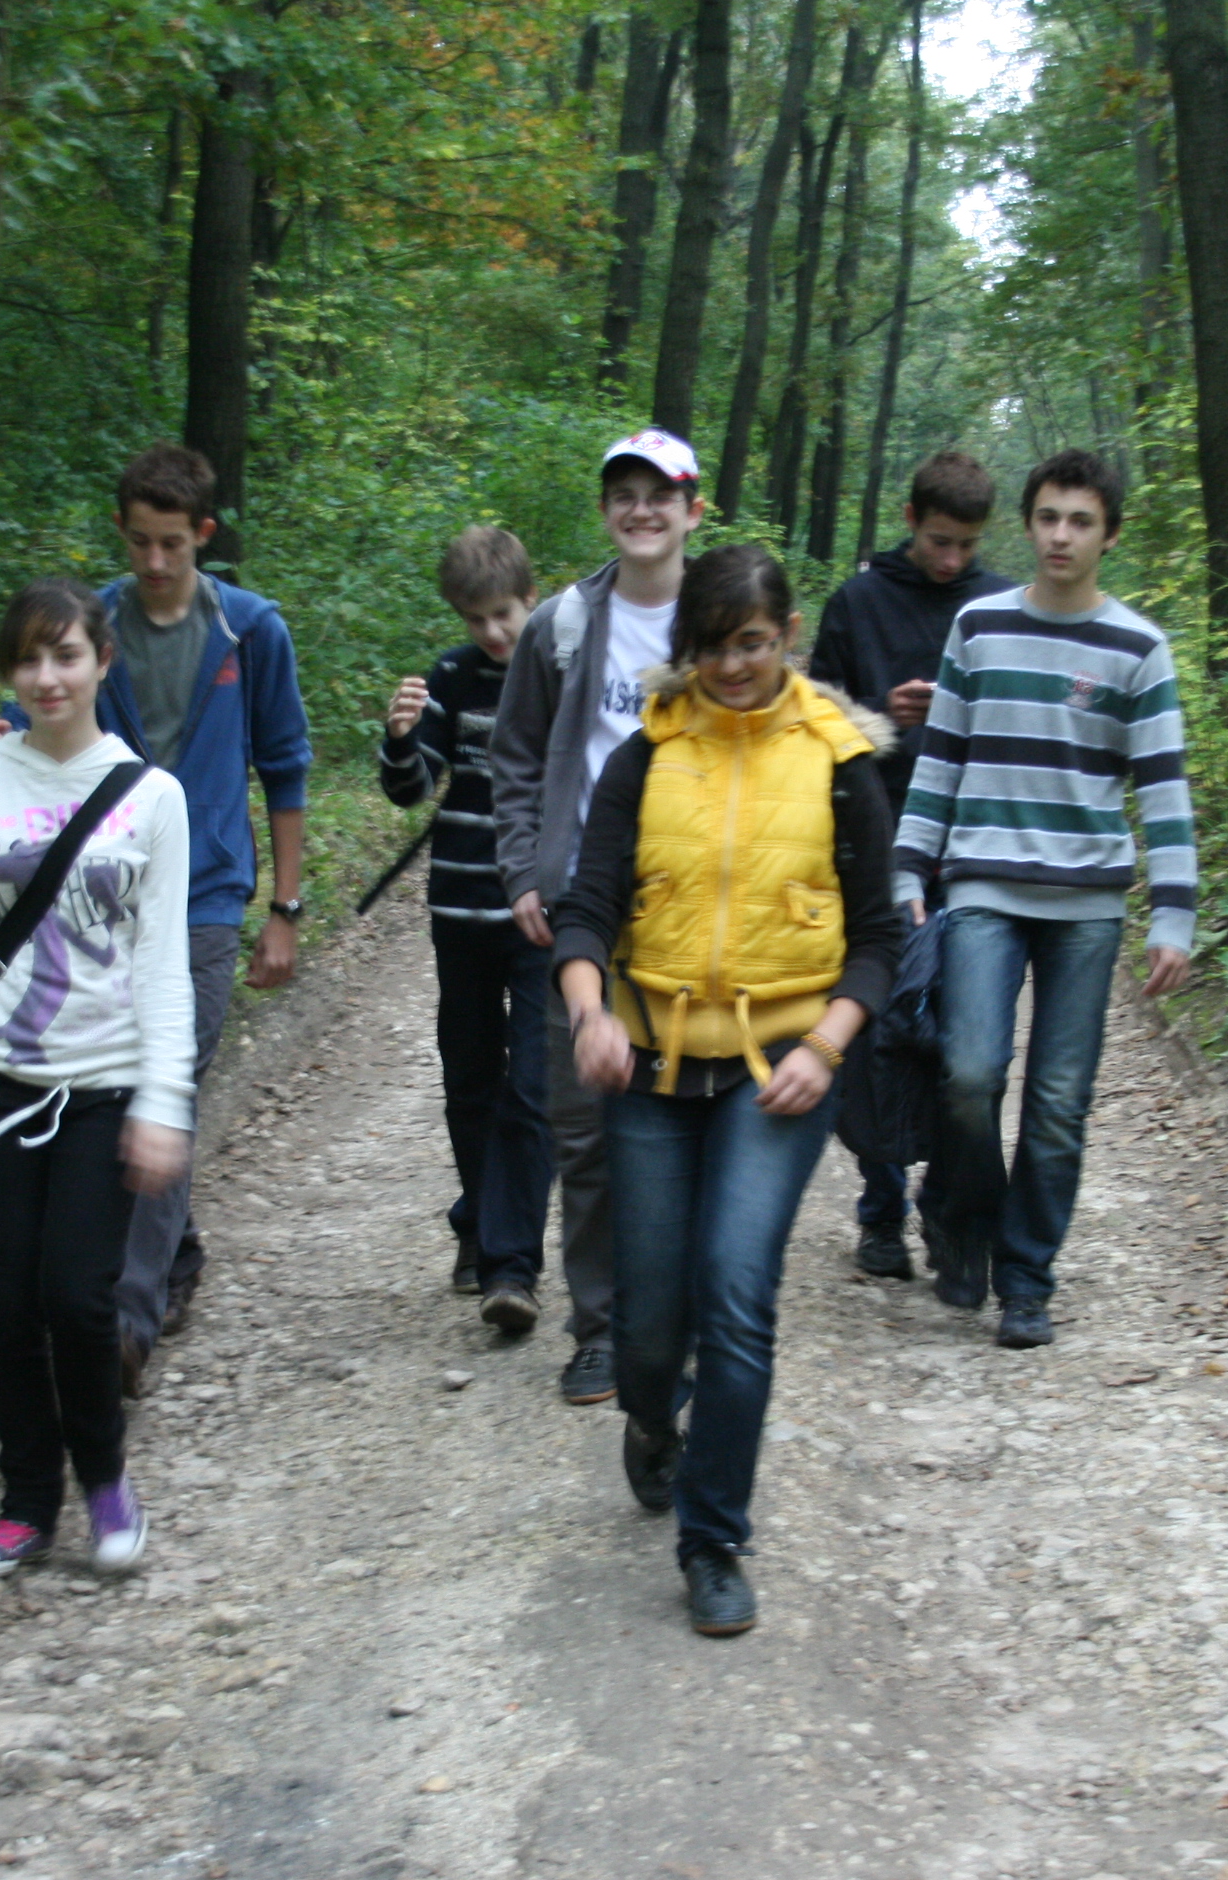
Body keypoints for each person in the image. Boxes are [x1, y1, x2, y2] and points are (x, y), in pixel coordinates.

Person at [554, 544, 904, 1637]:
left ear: (786, 635)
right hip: (651, 1067)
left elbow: (879, 940)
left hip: (779, 1073)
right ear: (688, 650)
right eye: (712, 647)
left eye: (752, 642)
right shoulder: (648, 755)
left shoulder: (839, 758)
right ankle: (653, 1416)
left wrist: (827, 1045)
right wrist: (589, 1012)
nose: (734, 665)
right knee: (650, 1325)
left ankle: (713, 1540)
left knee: (736, 1290)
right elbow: (585, 908)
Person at [0, 445, 311, 1390]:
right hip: (101, 899)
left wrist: (285, 909)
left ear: (204, 535)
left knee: (162, 1083)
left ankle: (124, 1325)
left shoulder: (250, 632)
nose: (154, 562)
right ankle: (175, 1250)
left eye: (172, 544)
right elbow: (40, 727)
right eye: (138, 543)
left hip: (204, 898)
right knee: (120, 1088)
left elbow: (285, 767)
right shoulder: (93, 628)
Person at [0, 579, 196, 1580]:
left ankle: (104, 1479)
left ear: (101, 662)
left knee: (77, 1297)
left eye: (65, 654)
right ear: (8, 671)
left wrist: (163, 1101)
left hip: (104, 1086)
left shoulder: (152, 798)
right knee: (5, 1302)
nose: (46, 677)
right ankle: (25, 1501)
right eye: (27, 658)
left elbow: (161, 965)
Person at [891, 447, 1196, 1353]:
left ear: (1110, 535)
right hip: (982, 882)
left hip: (1087, 904)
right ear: (1028, 525)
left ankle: (1027, 1277)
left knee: (1060, 1100)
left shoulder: (1139, 647)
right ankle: (960, 1213)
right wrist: (908, 867)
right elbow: (941, 757)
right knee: (971, 1073)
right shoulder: (979, 627)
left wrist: (1173, 915)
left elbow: (1164, 792)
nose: (1062, 536)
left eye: (1081, 522)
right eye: (1049, 517)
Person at [489, 427, 708, 1407]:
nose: (641, 510)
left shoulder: (721, 618)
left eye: (660, 495)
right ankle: (601, 1330)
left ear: (692, 509)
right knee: (582, 1130)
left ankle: (678, 1324)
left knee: (686, 1122)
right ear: (605, 510)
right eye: (624, 494)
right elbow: (516, 754)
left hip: (693, 914)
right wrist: (522, 871)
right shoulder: (564, 625)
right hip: (580, 909)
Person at [804, 449, 1007, 1283]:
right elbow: (812, 720)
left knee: (966, 1038)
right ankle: (880, 1208)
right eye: (938, 540)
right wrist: (880, 715)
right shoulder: (858, 602)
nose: (951, 559)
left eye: (966, 544)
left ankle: (946, 1204)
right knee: (879, 1030)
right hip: (876, 837)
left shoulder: (999, 608)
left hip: (974, 844)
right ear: (911, 518)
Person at [379, 525, 555, 1332]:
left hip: (542, 914)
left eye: (503, 614)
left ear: (531, 599)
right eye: (475, 618)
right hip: (460, 912)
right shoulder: (450, 676)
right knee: (471, 1078)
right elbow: (411, 790)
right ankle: (482, 1224)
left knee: (534, 1086)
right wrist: (400, 738)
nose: (491, 631)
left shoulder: (562, 672)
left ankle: (511, 1263)